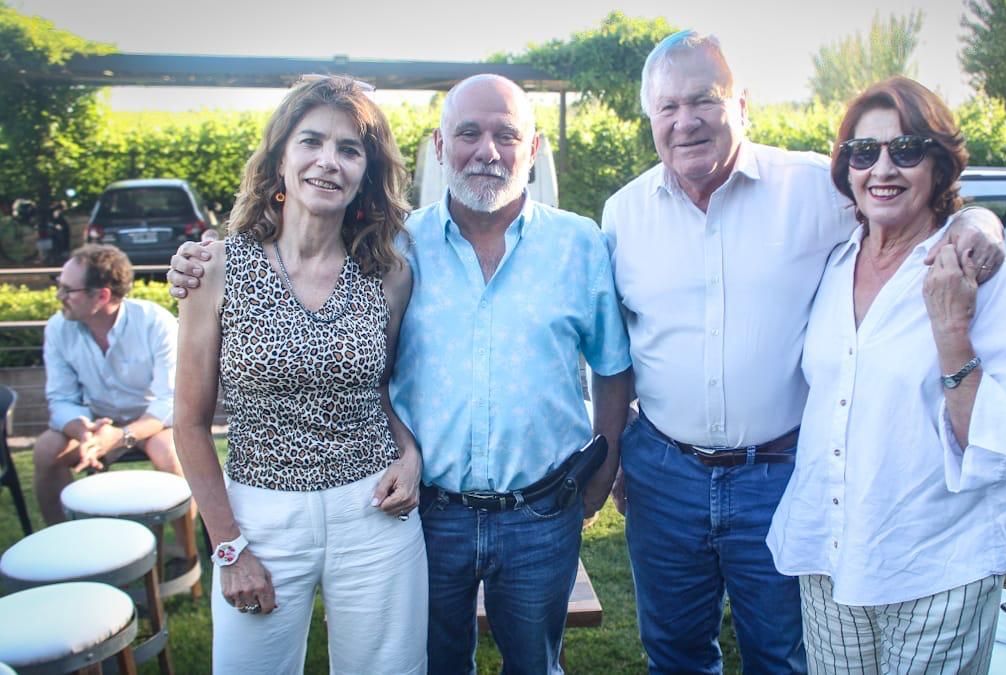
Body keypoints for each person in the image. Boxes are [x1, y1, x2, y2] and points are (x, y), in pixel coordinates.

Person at [170, 74, 633, 675]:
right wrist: (229, 543)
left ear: (533, 148)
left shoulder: (569, 244)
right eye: (467, 133)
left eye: (506, 135)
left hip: (518, 515)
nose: (487, 151)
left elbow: (612, 369)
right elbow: (202, 416)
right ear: (439, 148)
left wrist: (601, 471)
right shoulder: (397, 248)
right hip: (417, 514)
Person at [601, 31, 1006, 674]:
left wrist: (977, 223)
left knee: (782, 656)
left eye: (704, 99)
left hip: (781, 472)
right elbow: (617, 344)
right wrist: (623, 445)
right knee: (673, 654)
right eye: (667, 107)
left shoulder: (815, 190)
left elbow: (911, 200)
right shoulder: (623, 214)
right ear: (649, 117)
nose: (686, 121)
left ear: (742, 104)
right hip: (665, 474)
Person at [766, 76, 1006, 673]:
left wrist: (951, 335)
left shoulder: (975, 271)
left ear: (940, 165)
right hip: (831, 555)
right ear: (846, 169)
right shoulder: (836, 261)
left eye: (907, 149)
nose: (882, 168)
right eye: (863, 153)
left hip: (936, 567)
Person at [173, 75, 427, 674]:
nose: (328, 162)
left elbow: (380, 392)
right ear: (280, 158)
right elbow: (187, 422)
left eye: (349, 149)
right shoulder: (215, 268)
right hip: (260, 518)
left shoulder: (388, 274)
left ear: (366, 170)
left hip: (374, 517)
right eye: (311, 141)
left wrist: (410, 456)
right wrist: (229, 547)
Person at [34, 243, 182, 525]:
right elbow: (61, 399)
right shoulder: (58, 327)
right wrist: (85, 431)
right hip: (93, 423)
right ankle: (63, 538)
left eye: (67, 290)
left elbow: (169, 401)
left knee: (172, 451)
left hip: (152, 425)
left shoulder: (155, 323)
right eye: (59, 286)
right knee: (45, 450)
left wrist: (121, 435)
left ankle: (184, 553)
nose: (59, 296)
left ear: (101, 295)